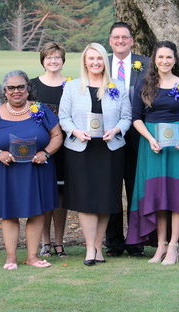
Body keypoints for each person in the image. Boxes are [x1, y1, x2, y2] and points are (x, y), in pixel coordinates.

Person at [125, 40, 179, 266]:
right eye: (160, 57)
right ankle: (160, 245)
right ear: (154, 59)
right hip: (152, 146)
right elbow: (136, 118)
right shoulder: (144, 84)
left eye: (169, 57)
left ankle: (174, 245)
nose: (165, 61)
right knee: (158, 195)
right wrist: (150, 139)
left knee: (177, 195)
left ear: (175, 60)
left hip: (178, 146)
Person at [0, 70, 62, 270]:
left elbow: (57, 135)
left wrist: (47, 153)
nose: (16, 91)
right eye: (11, 88)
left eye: (20, 87)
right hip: (7, 172)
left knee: (37, 212)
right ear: (4, 91)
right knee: (10, 214)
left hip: (37, 170)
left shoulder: (40, 111)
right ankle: (11, 257)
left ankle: (32, 257)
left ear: (27, 89)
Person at [59, 43, 131, 266]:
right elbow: (64, 117)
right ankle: (90, 248)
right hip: (81, 150)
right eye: (91, 59)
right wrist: (75, 131)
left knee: (106, 199)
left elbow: (126, 117)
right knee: (86, 200)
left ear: (104, 61)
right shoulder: (72, 87)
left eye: (99, 58)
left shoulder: (117, 86)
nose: (95, 63)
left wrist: (117, 130)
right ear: (84, 61)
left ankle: (99, 247)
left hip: (109, 150)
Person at [106, 21, 150, 258]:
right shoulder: (101, 63)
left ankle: (136, 241)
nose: (120, 41)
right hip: (109, 135)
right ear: (110, 41)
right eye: (116, 37)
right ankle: (113, 242)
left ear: (132, 40)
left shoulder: (145, 64)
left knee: (136, 188)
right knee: (111, 188)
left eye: (125, 37)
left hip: (138, 134)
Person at [31, 42, 69, 259]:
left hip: (65, 148)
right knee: (44, 194)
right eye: (49, 57)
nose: (53, 61)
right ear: (43, 60)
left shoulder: (71, 85)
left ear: (63, 60)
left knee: (61, 195)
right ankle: (45, 241)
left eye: (57, 57)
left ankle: (59, 241)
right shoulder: (33, 85)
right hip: (40, 149)